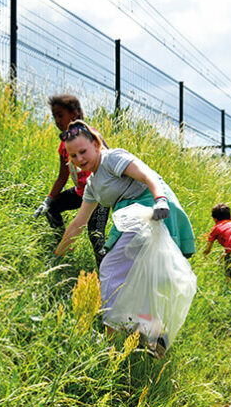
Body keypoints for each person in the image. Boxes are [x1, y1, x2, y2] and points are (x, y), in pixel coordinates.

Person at [53, 121, 195, 355]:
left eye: (83, 151)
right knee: (139, 277)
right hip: (131, 216)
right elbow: (79, 222)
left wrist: (160, 199)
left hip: (149, 207)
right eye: (73, 155)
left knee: (111, 267)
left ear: (96, 144)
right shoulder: (92, 183)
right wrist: (57, 256)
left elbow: (147, 174)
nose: (79, 158)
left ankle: (111, 337)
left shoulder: (111, 158)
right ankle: (154, 334)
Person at [33, 95, 110, 267]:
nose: (57, 121)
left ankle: (106, 275)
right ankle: (62, 248)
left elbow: (109, 160)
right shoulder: (64, 146)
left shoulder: (92, 137)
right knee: (53, 208)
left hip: (99, 195)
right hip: (81, 192)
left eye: (60, 115)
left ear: (75, 114)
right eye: (54, 117)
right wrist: (48, 200)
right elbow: (63, 176)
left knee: (95, 235)